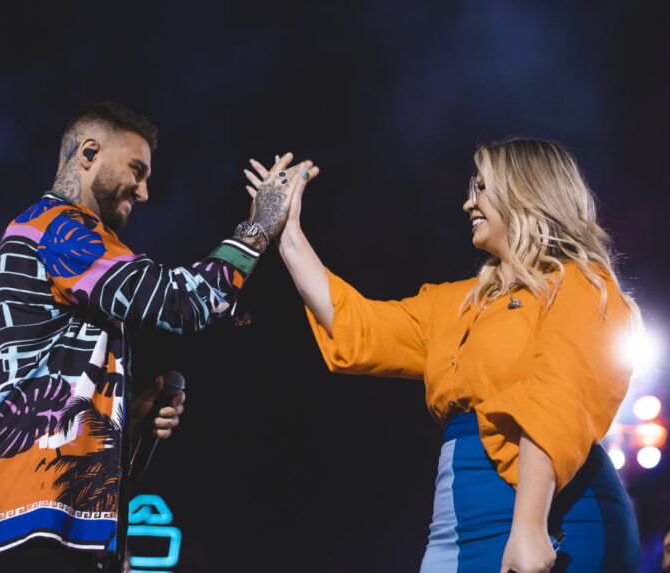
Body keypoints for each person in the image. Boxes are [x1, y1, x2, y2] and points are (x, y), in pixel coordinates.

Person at [247, 138, 641, 572]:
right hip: (457, 525)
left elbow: (558, 403)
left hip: (557, 519)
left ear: (526, 192)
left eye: (482, 188)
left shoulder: (581, 285)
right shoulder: (455, 303)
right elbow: (356, 326)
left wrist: (527, 526)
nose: (467, 203)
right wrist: (287, 231)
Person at [0, 101, 314, 572]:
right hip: (35, 520)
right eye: (136, 170)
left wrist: (125, 421)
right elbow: (178, 303)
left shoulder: (37, 232)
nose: (144, 192)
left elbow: (43, 377)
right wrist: (259, 227)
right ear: (89, 153)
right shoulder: (60, 228)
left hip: (16, 515)